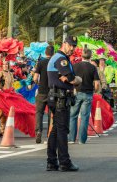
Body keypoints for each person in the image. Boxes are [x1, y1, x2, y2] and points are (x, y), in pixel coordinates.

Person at [46, 36, 82, 172]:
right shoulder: (61, 59)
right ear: (64, 44)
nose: (72, 48)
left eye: (74, 46)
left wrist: (70, 79)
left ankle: (51, 161)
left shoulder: (59, 58)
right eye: (70, 45)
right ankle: (64, 162)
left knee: (55, 130)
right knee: (62, 130)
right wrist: (78, 79)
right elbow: (73, 79)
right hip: (60, 98)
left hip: (56, 97)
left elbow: (68, 78)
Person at [68, 48, 100, 144]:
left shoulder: (74, 66)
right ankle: (82, 140)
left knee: (73, 116)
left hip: (76, 92)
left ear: (81, 56)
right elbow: (97, 83)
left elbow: (70, 79)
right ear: (90, 57)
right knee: (85, 117)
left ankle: (71, 139)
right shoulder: (93, 67)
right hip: (88, 93)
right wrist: (96, 90)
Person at [33, 45, 54, 144]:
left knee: (39, 113)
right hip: (52, 92)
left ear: (45, 53)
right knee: (51, 113)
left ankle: (38, 131)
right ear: (53, 53)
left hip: (41, 92)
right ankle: (50, 133)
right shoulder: (55, 63)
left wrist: (38, 83)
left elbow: (35, 78)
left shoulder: (41, 63)